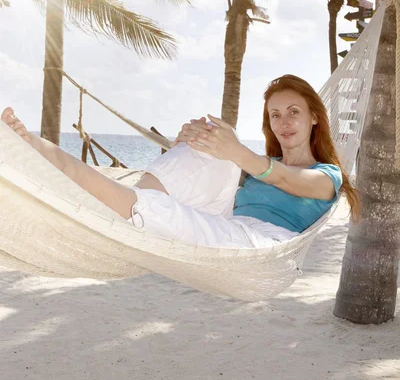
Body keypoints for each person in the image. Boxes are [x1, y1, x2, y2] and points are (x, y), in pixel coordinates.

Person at [1, 75, 358, 249]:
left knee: (181, 198)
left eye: (294, 112)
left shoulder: (327, 176)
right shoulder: (257, 163)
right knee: (208, 140)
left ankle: (48, 155)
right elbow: (207, 179)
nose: (283, 122)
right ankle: (127, 200)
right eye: (276, 114)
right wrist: (192, 140)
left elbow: (284, 180)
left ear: (315, 118)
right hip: (227, 220)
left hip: (260, 243)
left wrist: (234, 149)